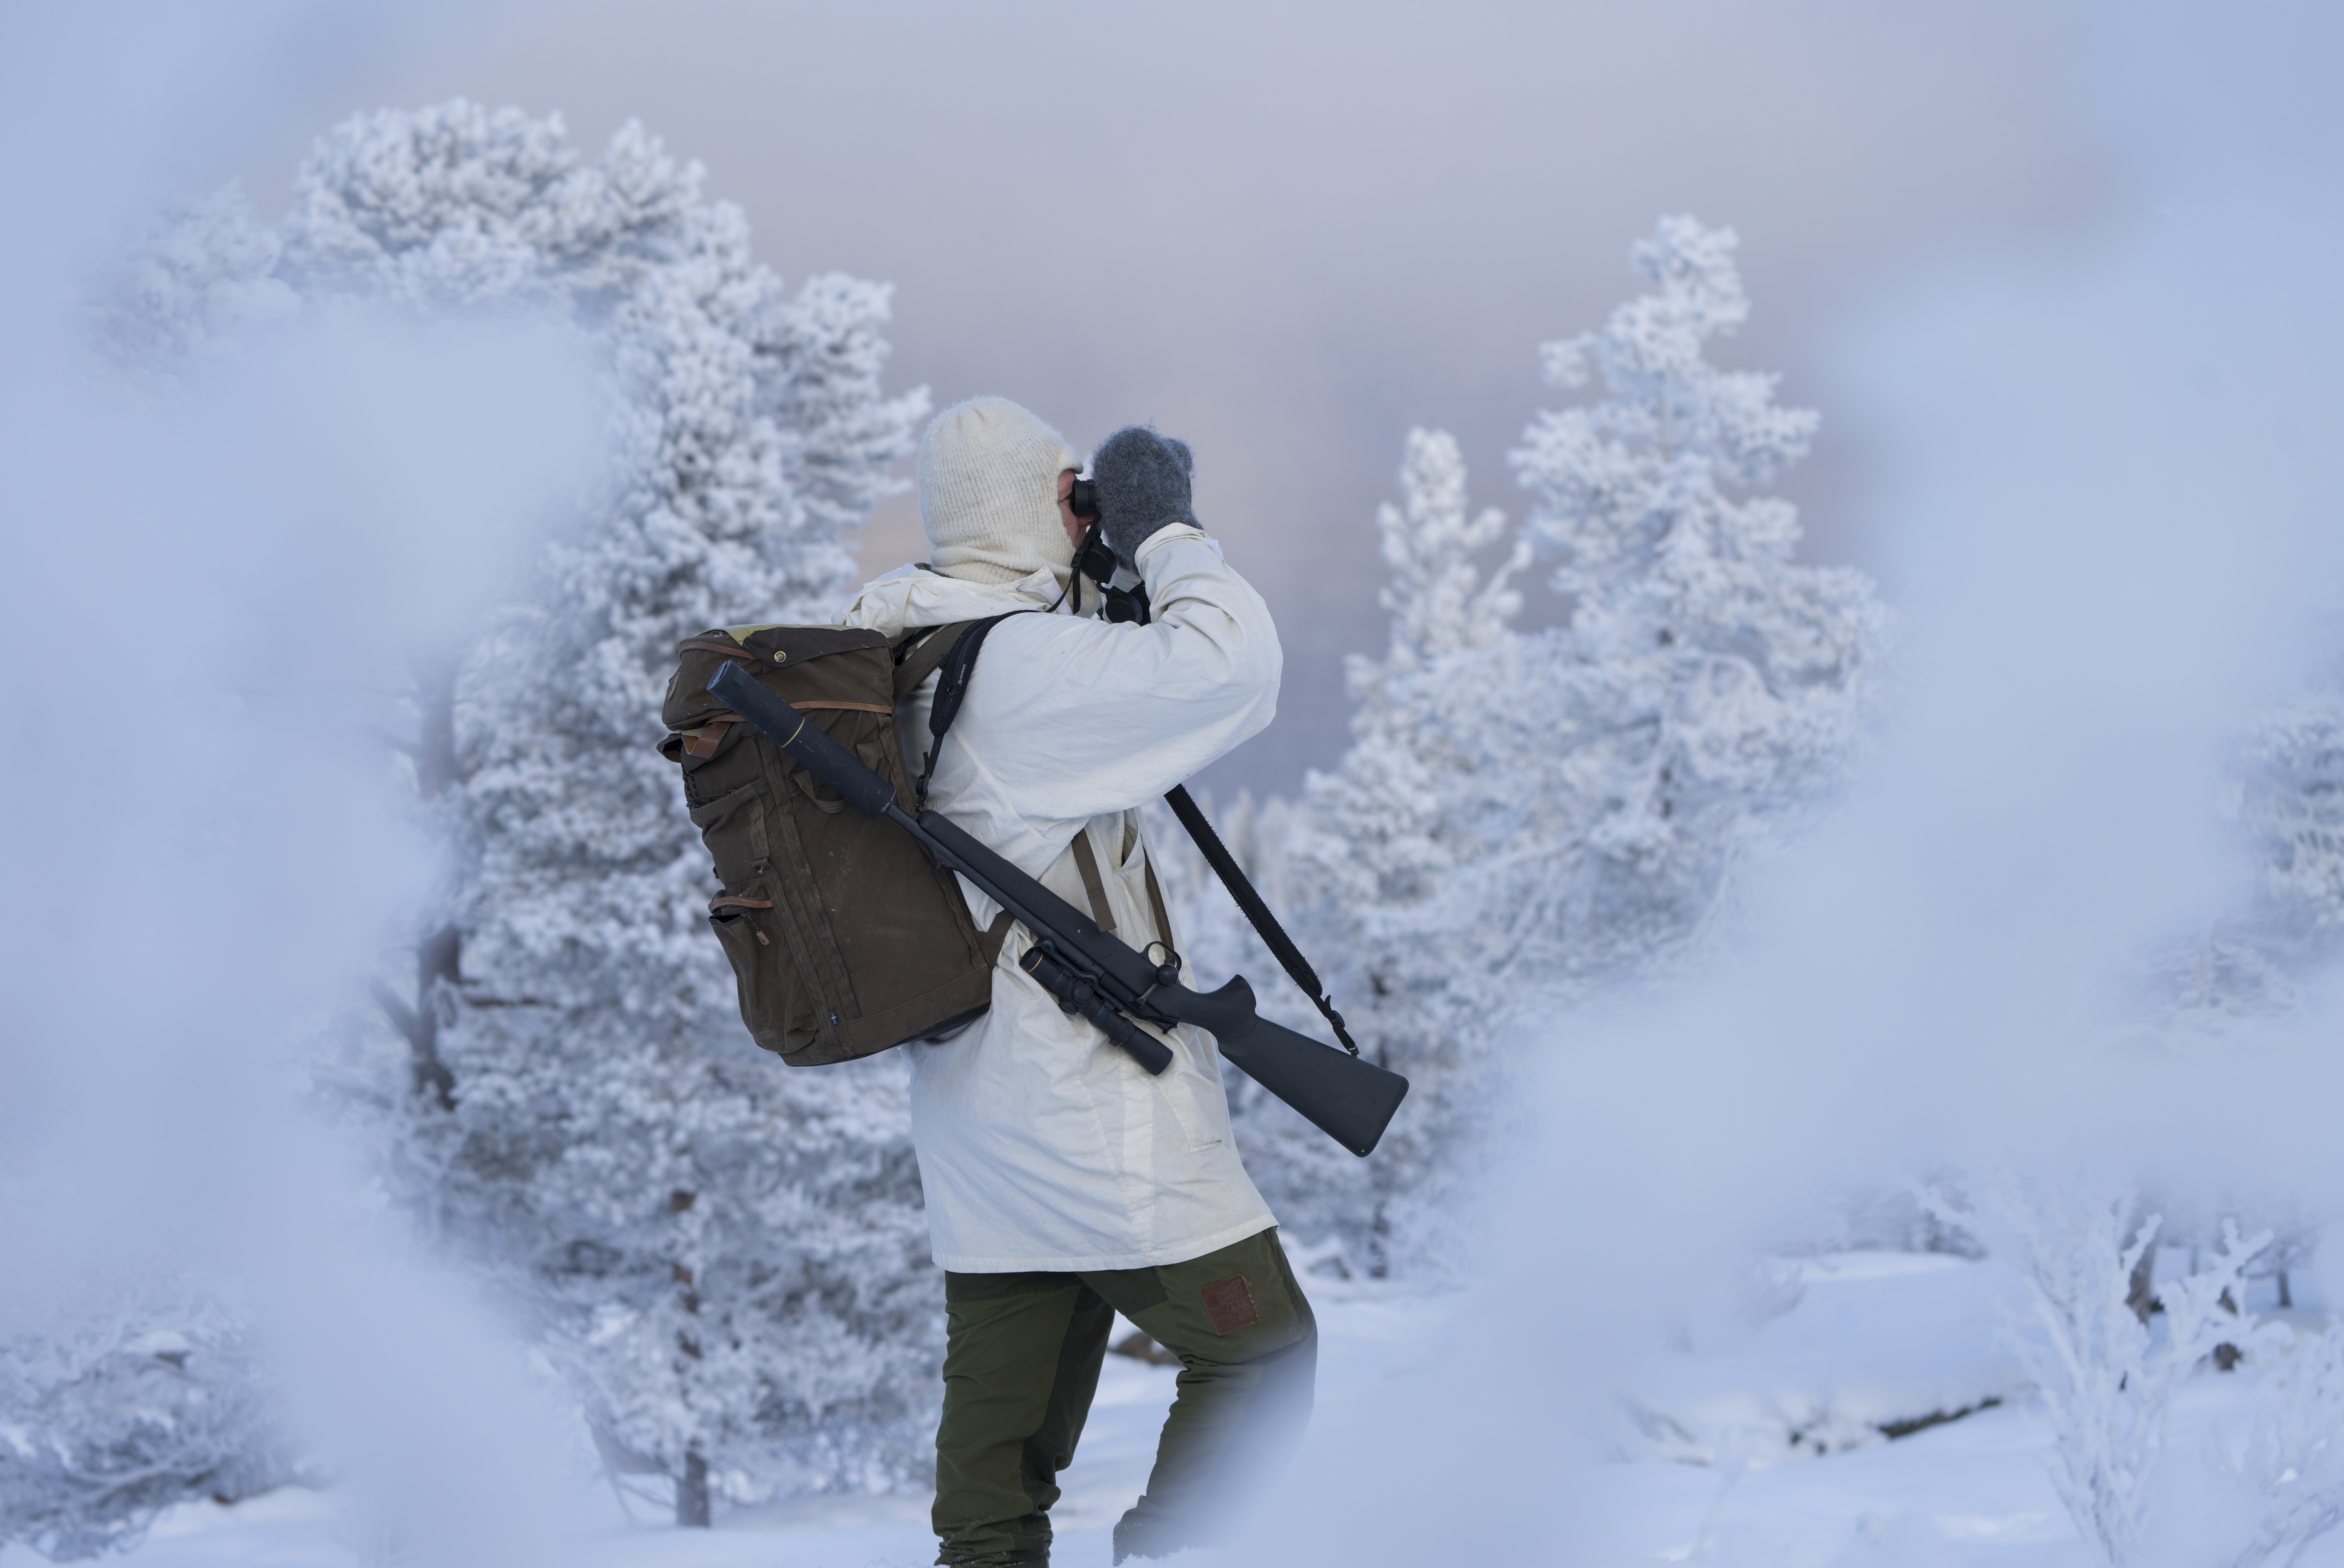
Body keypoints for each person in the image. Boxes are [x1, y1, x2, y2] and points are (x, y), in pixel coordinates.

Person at [840, 396, 1316, 1567]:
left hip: (980, 1121)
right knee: (1262, 1353)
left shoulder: (914, 650)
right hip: (1091, 1114)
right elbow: (1233, 668)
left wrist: (1095, 567)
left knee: (997, 1483)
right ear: (1033, 506)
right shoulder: (1024, 676)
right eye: (1072, 496)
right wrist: (1165, 533)